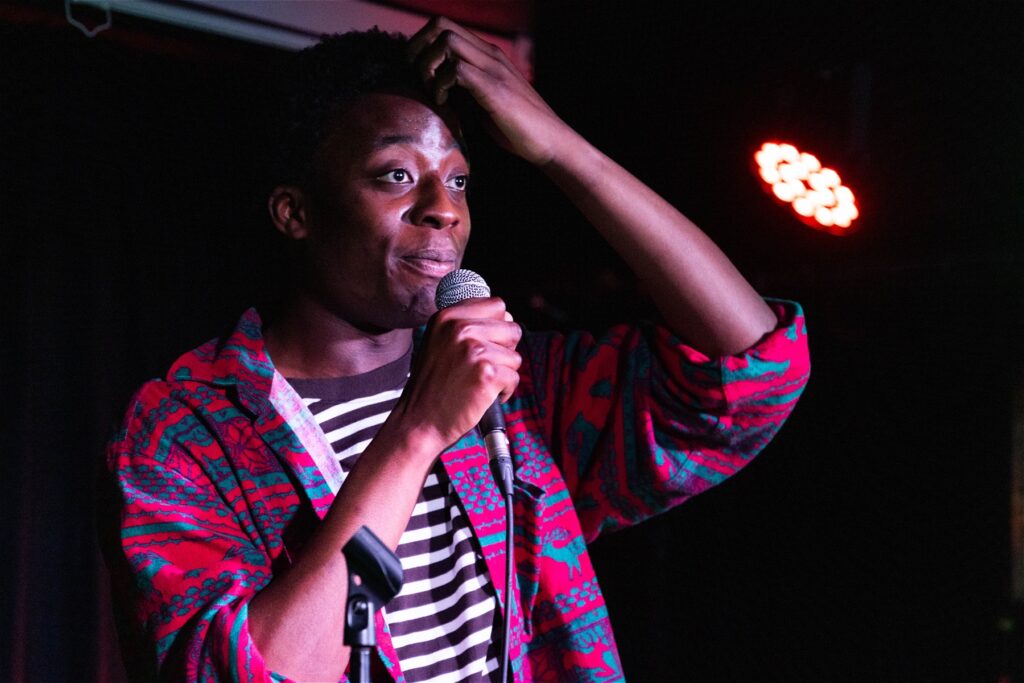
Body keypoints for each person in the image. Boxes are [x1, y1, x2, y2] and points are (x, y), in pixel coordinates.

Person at [106, 16, 810, 683]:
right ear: (296, 212)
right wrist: (418, 431)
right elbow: (243, 671)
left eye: (459, 180)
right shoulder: (184, 434)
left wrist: (565, 148)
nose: (443, 208)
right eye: (396, 175)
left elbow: (753, 373)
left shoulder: (517, 388)